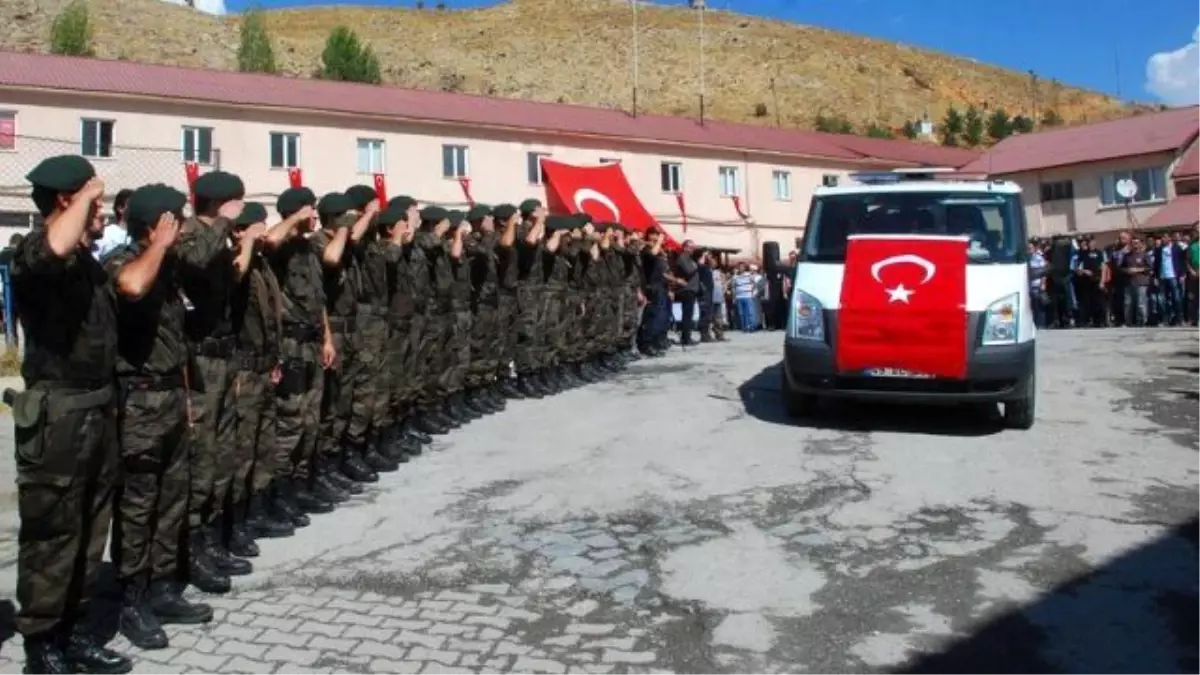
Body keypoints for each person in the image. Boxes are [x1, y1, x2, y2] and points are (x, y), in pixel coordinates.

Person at [9, 155, 131, 674]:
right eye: (92, 198)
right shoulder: (33, 250)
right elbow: (53, 246)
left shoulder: (88, 263)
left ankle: (76, 632)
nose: (100, 207)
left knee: (90, 529)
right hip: (58, 416)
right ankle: (42, 645)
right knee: (52, 532)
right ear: (67, 200)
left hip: (99, 408)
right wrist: (84, 194)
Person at [106, 183, 213, 650]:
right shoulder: (122, 262)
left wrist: (187, 402)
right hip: (139, 407)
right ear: (154, 225)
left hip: (170, 399)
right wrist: (159, 247)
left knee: (172, 500)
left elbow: (178, 346)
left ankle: (165, 588)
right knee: (137, 507)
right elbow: (130, 287)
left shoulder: (167, 270)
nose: (183, 229)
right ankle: (131, 601)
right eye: (175, 221)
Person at [176, 170, 248, 590]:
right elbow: (196, 262)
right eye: (235, 202)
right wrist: (222, 222)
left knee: (222, 455)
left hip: (223, 357)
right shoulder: (190, 233)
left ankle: (214, 539)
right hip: (198, 361)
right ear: (220, 202)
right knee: (201, 461)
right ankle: (191, 551)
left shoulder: (217, 237)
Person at [265, 186, 337, 521]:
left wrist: (327, 338)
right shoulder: (279, 247)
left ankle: (301, 485)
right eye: (311, 210)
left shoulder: (309, 247)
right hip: (289, 344)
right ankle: (278, 495)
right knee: (290, 420)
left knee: (311, 420)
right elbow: (269, 240)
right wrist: (294, 217)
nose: (316, 216)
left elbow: (319, 299)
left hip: (311, 341)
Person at [227, 202, 295, 544]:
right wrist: (247, 243)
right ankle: (237, 522)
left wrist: (275, 359)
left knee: (264, 446)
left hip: (265, 366)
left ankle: (258, 510)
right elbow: (234, 280)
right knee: (242, 452)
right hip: (243, 371)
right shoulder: (234, 264)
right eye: (255, 226)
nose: (263, 233)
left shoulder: (263, 266)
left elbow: (272, 317)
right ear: (238, 231)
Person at [312, 191, 383, 497]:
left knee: (351, 396)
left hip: (352, 328)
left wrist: (364, 219)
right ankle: (326, 465)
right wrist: (345, 227)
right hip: (334, 330)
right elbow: (330, 259)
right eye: (345, 218)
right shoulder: (319, 243)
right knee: (333, 402)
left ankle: (345, 456)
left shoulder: (347, 243)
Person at [92, 187, 133, 262]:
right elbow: (94, 256)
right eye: (132, 205)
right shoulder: (107, 233)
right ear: (120, 208)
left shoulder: (138, 234)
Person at [672, 239, 700, 346]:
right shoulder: (683, 258)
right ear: (685, 247)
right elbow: (689, 272)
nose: (693, 249)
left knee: (689, 314)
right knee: (687, 315)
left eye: (694, 247)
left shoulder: (690, 259)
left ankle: (687, 336)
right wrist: (696, 266)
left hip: (692, 289)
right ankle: (686, 338)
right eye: (691, 247)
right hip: (686, 289)